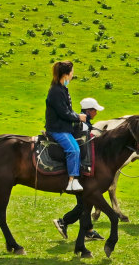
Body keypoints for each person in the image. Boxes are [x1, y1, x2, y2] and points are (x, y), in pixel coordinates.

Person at [53, 97, 105, 241]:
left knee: (86, 202)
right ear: (88, 111)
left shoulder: (85, 124)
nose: (96, 113)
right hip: (79, 171)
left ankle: (88, 230)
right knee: (84, 203)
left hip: (80, 169)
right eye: (95, 110)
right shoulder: (81, 125)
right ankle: (63, 222)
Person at [45, 61, 86, 192]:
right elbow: (63, 113)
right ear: (66, 75)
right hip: (58, 129)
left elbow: (67, 110)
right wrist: (78, 117)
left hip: (63, 127)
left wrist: (77, 116)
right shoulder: (56, 91)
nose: (73, 75)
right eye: (72, 72)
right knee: (73, 150)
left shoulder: (62, 89)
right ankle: (71, 181)